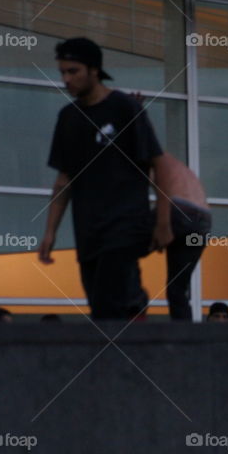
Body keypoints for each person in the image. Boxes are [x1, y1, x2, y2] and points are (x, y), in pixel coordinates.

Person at [38, 37, 171, 320]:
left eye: (73, 71)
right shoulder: (68, 118)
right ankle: (133, 330)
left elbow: (158, 164)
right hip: (87, 231)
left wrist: (163, 221)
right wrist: (50, 231)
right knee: (101, 309)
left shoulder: (125, 108)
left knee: (116, 293)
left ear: (94, 70)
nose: (67, 79)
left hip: (124, 225)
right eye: (62, 72)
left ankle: (136, 322)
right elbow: (64, 180)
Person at [149, 152, 212, 321]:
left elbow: (162, 190)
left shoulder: (150, 157)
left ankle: (128, 306)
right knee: (176, 289)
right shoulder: (180, 167)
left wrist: (161, 226)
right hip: (203, 223)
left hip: (179, 211)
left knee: (123, 246)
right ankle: (184, 339)